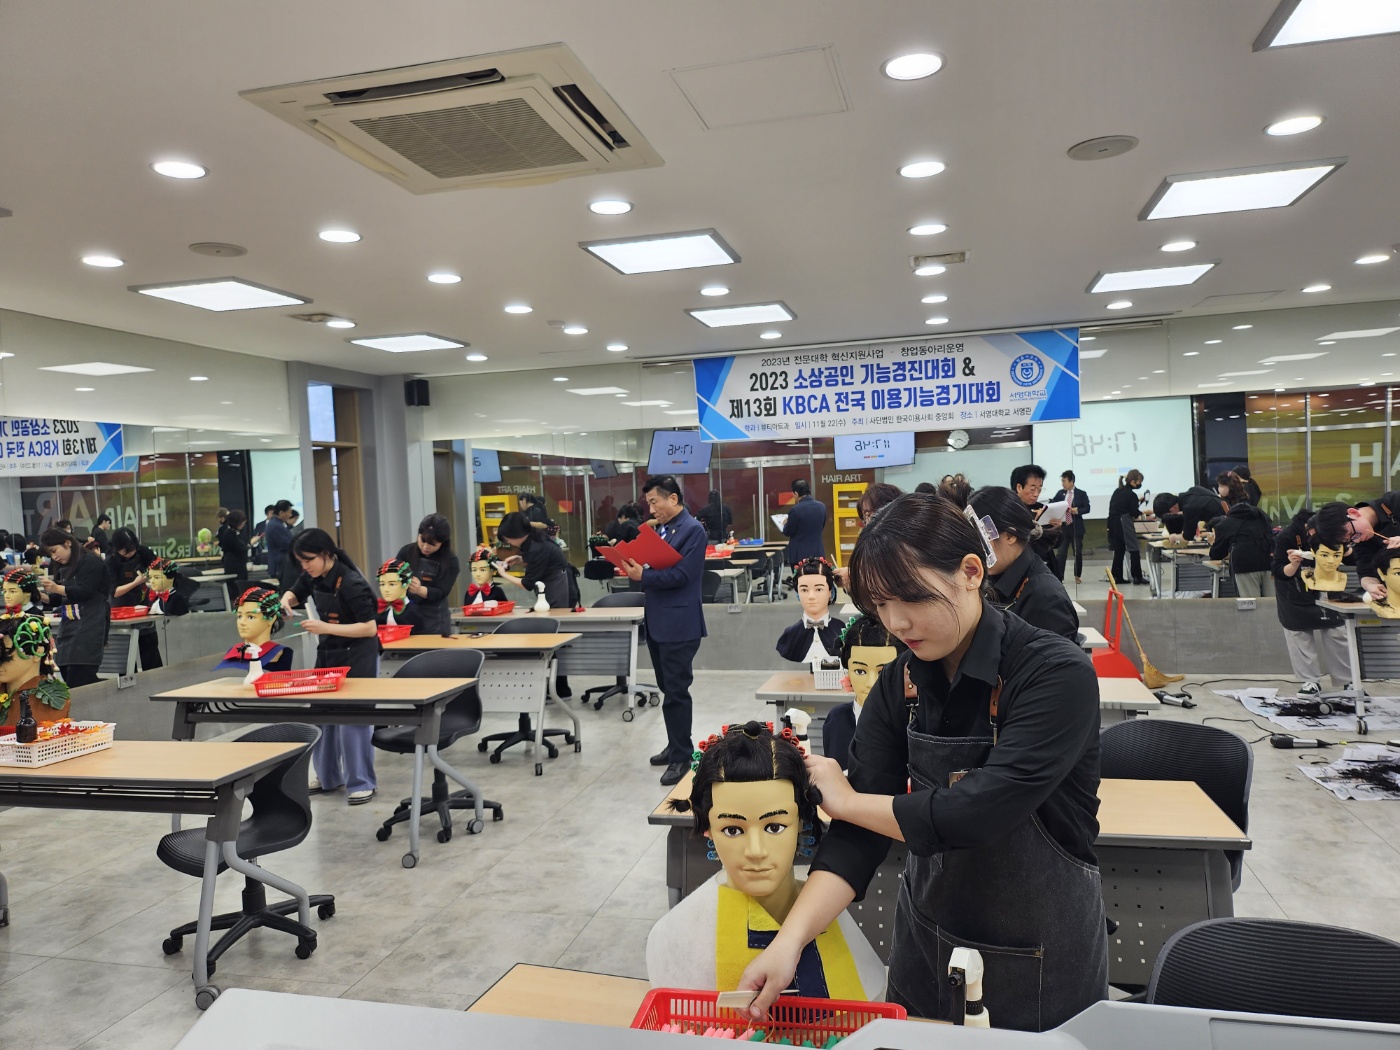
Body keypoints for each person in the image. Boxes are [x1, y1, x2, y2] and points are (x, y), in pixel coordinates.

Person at [738, 492, 1106, 1030]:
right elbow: (859, 834)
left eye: (910, 598)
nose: (896, 622)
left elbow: (978, 812)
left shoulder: (1054, 674)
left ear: (971, 572)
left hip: (1039, 955)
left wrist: (849, 801)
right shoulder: (900, 683)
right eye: (880, 605)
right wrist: (789, 942)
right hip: (927, 942)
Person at [646, 721, 885, 999]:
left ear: (802, 822)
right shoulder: (676, 940)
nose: (756, 851)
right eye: (733, 830)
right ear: (707, 829)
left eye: (774, 827)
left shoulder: (827, 907)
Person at [279, 529, 379, 804]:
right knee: (322, 715)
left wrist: (325, 627)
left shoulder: (352, 583)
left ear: (326, 554)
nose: (305, 566)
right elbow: (296, 592)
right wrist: (286, 599)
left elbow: (369, 628)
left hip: (358, 656)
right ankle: (327, 776)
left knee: (352, 721)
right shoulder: (313, 575)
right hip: (329, 653)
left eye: (308, 560)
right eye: (301, 562)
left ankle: (361, 782)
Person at [621, 475, 707, 787]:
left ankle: (682, 756)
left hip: (680, 624)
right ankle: (675, 744)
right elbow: (658, 566)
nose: (651, 509)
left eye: (654, 502)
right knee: (668, 688)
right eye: (648, 504)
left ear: (673, 498)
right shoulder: (665, 529)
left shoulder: (693, 530)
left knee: (677, 692)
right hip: (659, 621)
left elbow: (682, 575)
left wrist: (643, 576)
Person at [970, 486, 1080, 640]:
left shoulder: (1045, 598)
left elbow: (1060, 656)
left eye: (981, 540)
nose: (975, 551)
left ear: (1010, 536)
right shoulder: (995, 578)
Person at [1272, 507, 1350, 697]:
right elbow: (1278, 571)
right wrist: (1294, 564)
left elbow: (1354, 559)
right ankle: (1310, 681)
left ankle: (1348, 680)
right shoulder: (1286, 537)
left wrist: (1346, 551)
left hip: (1327, 588)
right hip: (1294, 591)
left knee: (1337, 633)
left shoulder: (1331, 534)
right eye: (1311, 532)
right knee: (1299, 636)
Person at [823, 614, 906, 770]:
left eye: (883, 672)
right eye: (860, 671)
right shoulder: (837, 720)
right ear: (848, 670)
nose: (871, 683)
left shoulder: (913, 723)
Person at [37, 527, 112, 689]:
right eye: (50, 554)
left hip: (90, 625)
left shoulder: (91, 562)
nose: (54, 557)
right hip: (68, 626)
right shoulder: (62, 566)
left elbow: (85, 591)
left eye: (54, 551)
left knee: (81, 678)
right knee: (66, 672)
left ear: (67, 543)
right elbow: (58, 598)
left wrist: (57, 588)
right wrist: (39, 595)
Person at [106, 527, 163, 670]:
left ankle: (156, 678)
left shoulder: (142, 551)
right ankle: (128, 680)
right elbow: (114, 592)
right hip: (121, 609)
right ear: (117, 548)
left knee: (150, 649)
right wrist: (135, 582)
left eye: (133, 549)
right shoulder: (110, 561)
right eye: (126, 551)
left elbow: (158, 567)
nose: (131, 553)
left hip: (143, 607)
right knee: (125, 657)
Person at [394, 513, 461, 635]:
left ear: (442, 543)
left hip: (435, 620)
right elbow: (394, 576)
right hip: (406, 616)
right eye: (422, 540)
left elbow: (442, 592)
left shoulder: (451, 561)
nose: (425, 547)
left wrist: (420, 590)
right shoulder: (406, 552)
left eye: (432, 544)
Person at [1209, 483, 1275, 598]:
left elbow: (1217, 554)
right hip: (1268, 562)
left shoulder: (1225, 524)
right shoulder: (1263, 518)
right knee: (1272, 602)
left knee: (1250, 603)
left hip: (1244, 565)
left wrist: (1212, 543)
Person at [775, 557, 843, 664]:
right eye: (804, 590)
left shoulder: (842, 630)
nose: (811, 596)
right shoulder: (789, 635)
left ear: (830, 592)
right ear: (798, 593)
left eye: (819, 589)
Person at [1010, 464, 1062, 574]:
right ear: (1019, 487)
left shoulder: (1042, 508)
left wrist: (1056, 529)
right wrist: (1037, 525)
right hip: (1023, 570)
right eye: (1032, 489)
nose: (1036, 494)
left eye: (1040, 489)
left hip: (1047, 568)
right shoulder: (1009, 510)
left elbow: (1056, 544)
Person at [1049, 470, 1091, 583]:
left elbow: (1087, 508)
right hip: (1063, 527)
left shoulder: (1081, 494)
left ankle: (1077, 575)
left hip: (1076, 527)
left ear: (1071, 481)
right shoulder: (1060, 493)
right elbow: (1053, 504)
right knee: (1061, 553)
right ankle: (1059, 576)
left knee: (1077, 552)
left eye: (1064, 481)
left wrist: (1077, 510)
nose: (1062, 483)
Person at [1108, 471, 1150, 586]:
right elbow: (1134, 512)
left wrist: (1137, 502)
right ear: (1133, 481)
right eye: (1139, 482)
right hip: (1124, 522)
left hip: (1113, 523)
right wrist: (1145, 514)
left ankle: (1116, 576)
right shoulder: (1131, 495)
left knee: (1119, 550)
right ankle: (1137, 576)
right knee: (1134, 548)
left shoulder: (1118, 491)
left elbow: (1124, 505)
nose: (1139, 484)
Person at [1154, 486, 1227, 543]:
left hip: (1224, 528)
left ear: (1172, 509)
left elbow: (1188, 536)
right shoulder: (1193, 490)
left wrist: (1174, 537)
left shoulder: (1188, 507)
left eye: (1169, 514)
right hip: (1227, 516)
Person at [781, 479, 827, 566]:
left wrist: (785, 524)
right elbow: (822, 526)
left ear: (796, 493)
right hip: (818, 553)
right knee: (817, 575)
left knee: (800, 575)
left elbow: (787, 531)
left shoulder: (795, 510)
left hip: (799, 555)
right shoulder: (822, 506)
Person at [217, 509, 250, 602]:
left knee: (243, 590)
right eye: (241, 521)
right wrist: (249, 544)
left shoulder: (239, 532)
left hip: (241, 566)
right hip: (233, 566)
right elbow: (240, 547)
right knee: (235, 591)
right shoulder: (229, 533)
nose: (243, 524)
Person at [264, 500, 295, 586]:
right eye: (289, 512)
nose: (290, 515)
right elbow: (287, 544)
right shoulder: (276, 525)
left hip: (280, 563)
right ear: (281, 512)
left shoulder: (277, 523)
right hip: (280, 564)